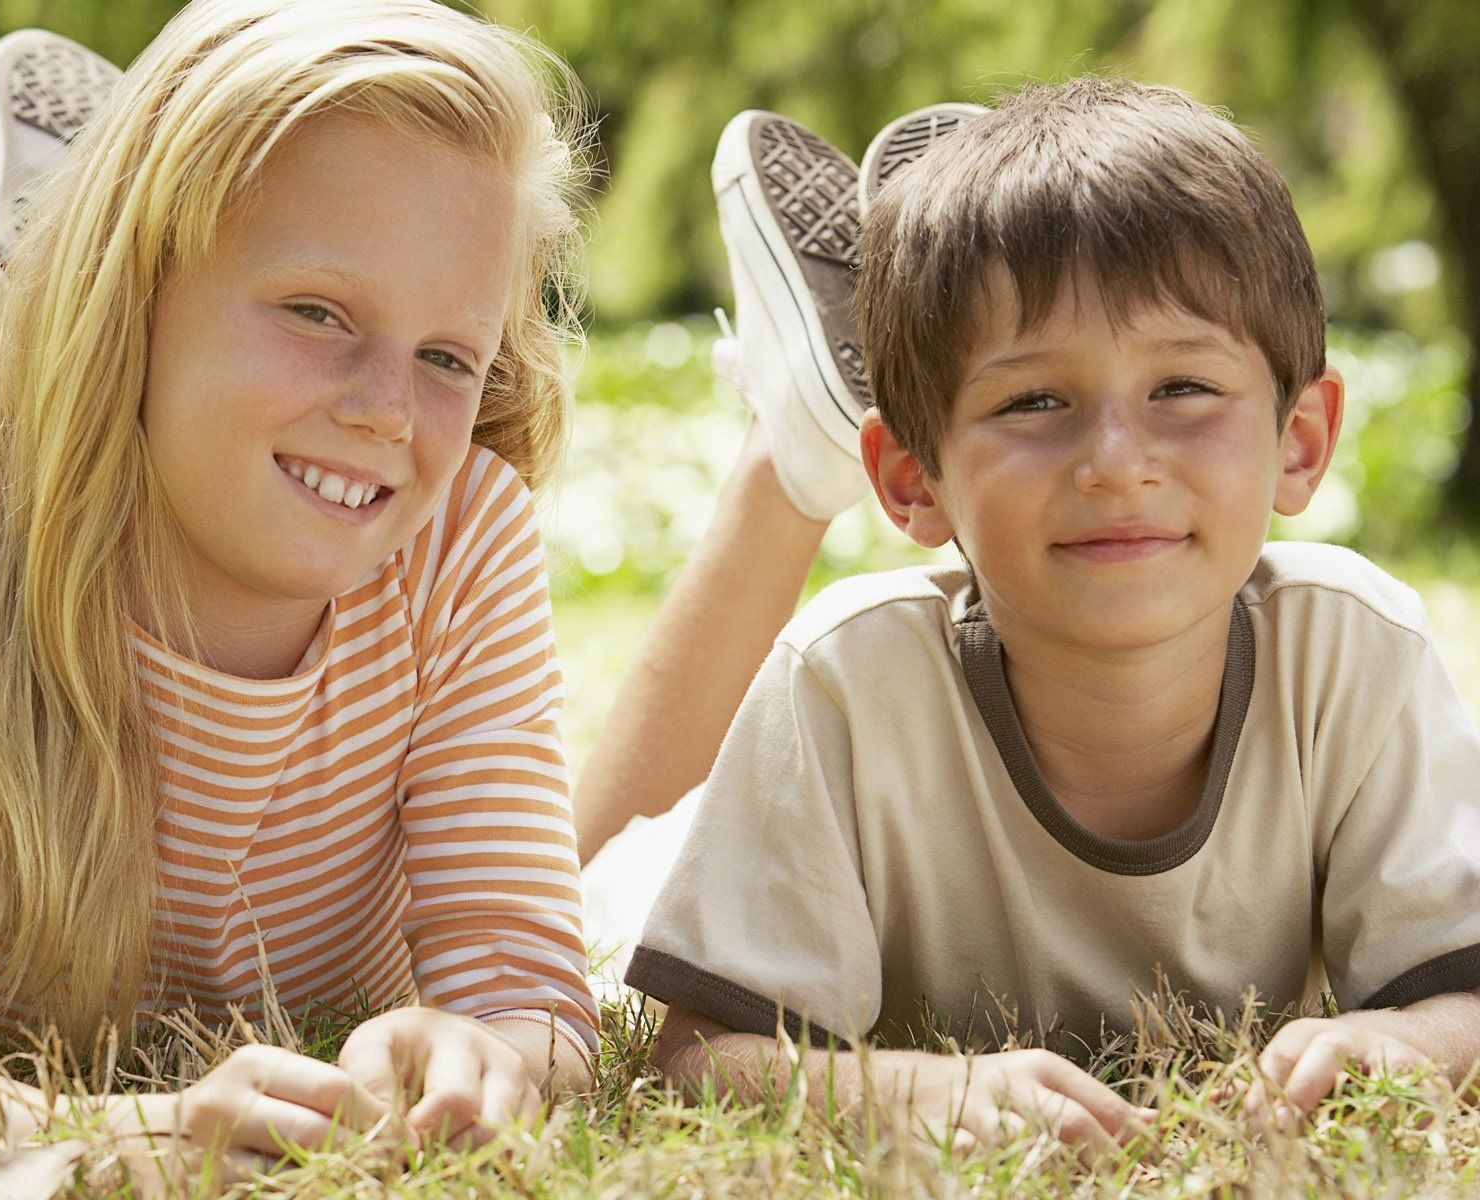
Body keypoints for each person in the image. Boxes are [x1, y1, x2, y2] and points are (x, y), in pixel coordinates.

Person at [584, 79, 1480, 1156]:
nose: (1115, 463)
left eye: (1183, 387)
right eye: (1033, 401)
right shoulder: (847, 678)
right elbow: (695, 1055)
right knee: (568, 891)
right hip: (680, 872)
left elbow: (1461, 1005)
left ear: (1298, 440)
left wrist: (1407, 1045)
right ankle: (794, 443)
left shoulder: (1352, 650)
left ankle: (881, 366)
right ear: (912, 479)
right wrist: (902, 1092)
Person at [0, 0, 597, 1184]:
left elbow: (532, 995)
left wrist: (486, 1050)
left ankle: (30, 254)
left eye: (446, 357)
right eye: (319, 312)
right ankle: (25, 280)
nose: (385, 411)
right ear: (136, 289)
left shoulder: (457, 533)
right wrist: (123, 1134)